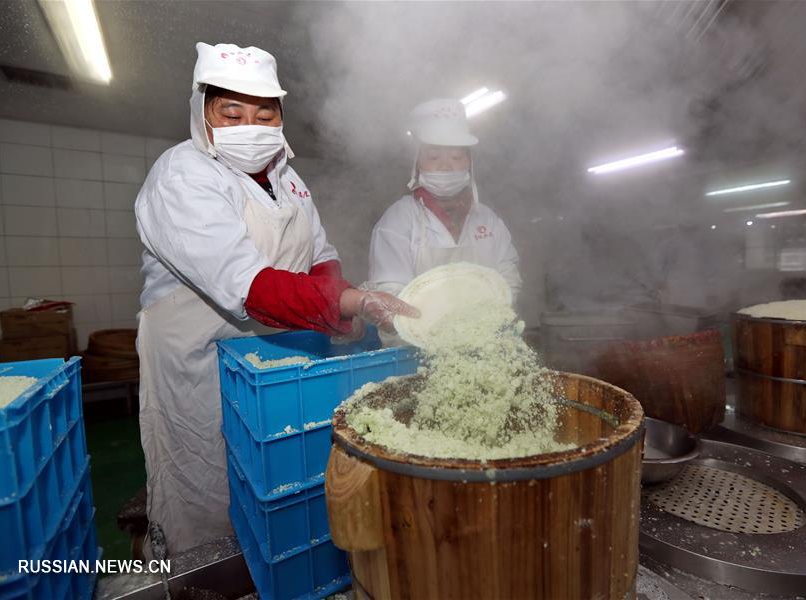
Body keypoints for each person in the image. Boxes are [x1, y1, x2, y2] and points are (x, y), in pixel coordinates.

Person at [134, 42, 416, 555]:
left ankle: (276, 559)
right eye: (232, 112)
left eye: (265, 114)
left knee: (278, 469)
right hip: (197, 356)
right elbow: (247, 285)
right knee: (207, 475)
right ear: (202, 114)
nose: (251, 126)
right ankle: (197, 564)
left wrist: (337, 308)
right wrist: (346, 302)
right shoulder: (183, 175)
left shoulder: (287, 178)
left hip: (274, 347)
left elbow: (320, 254)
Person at [366, 98, 521, 342]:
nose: (446, 166)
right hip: (414, 349)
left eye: (457, 157)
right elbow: (390, 292)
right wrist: (436, 330)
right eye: (434, 156)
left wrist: (489, 319)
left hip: (485, 342)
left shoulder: (487, 220)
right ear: (417, 163)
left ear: (470, 162)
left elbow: (507, 275)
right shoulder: (398, 221)